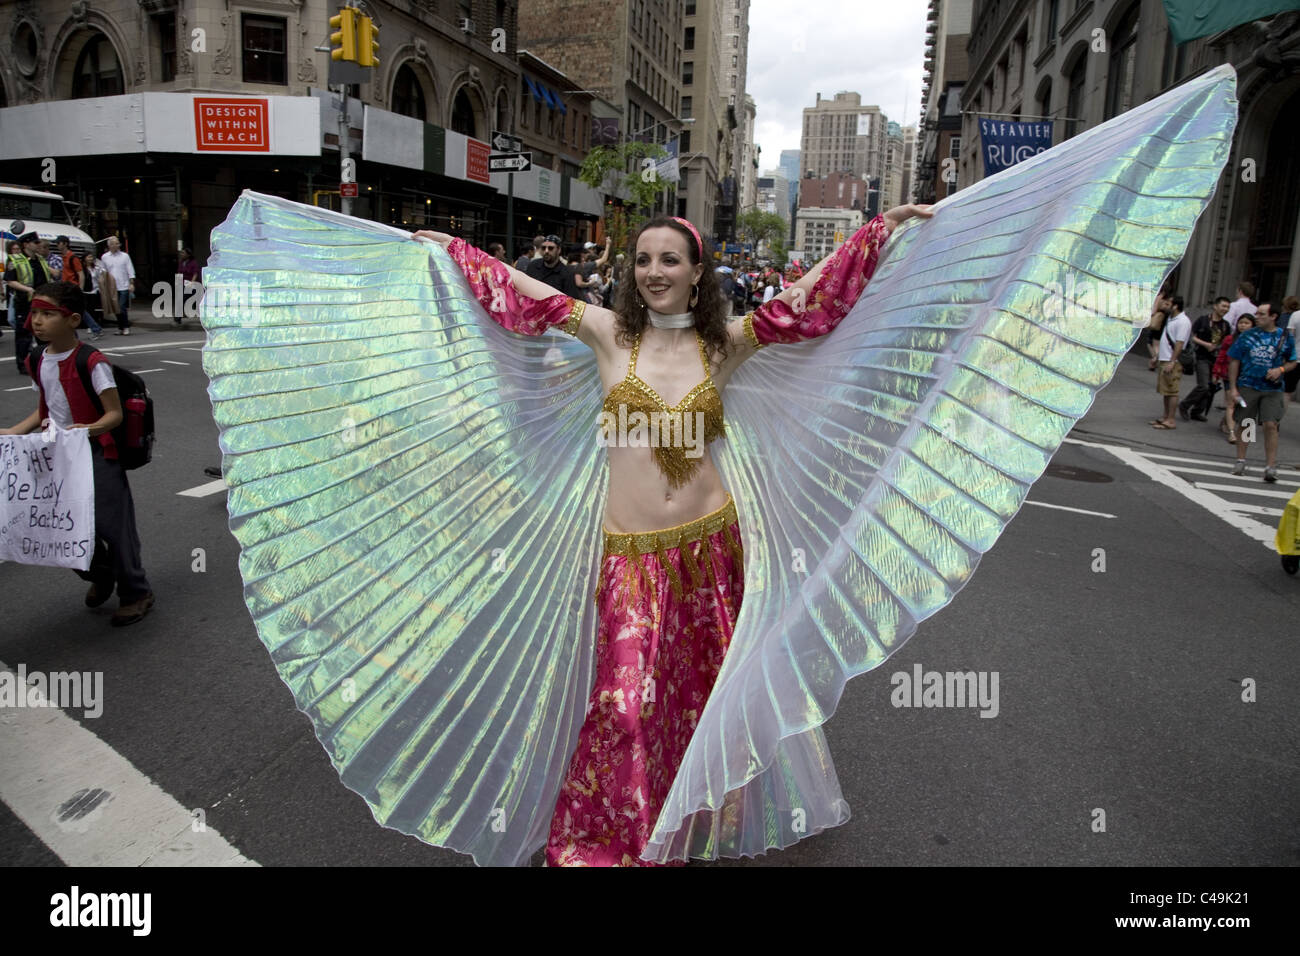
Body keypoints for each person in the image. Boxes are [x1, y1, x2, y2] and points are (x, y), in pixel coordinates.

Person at [412, 200, 936, 865]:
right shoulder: (606, 333)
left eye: (670, 260)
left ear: (696, 273)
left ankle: (689, 825)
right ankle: (610, 842)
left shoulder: (726, 343)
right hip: (628, 558)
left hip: (711, 552)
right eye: (643, 260)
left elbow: (810, 299)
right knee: (625, 708)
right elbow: (525, 293)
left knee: (702, 707)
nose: (654, 272)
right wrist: (454, 253)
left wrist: (880, 231)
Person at [0, 281, 155, 626]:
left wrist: (89, 429)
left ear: (71, 319)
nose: (37, 321)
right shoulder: (37, 358)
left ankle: (136, 592)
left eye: (47, 314)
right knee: (61, 529)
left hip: (96, 455)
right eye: (35, 314)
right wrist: (15, 431)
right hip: (56, 456)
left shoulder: (91, 360)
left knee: (113, 528)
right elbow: (44, 410)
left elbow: (113, 414)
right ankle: (100, 574)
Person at [1228, 300, 1299, 482]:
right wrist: (1233, 387)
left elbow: (1293, 361)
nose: (1257, 317)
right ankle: (1241, 459)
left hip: (1273, 388)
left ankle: (1270, 466)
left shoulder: (1284, 337)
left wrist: (1280, 370)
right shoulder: (1248, 336)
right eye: (1257, 314)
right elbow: (1234, 361)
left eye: (1261, 314)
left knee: (1270, 425)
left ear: (1273, 317)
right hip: (1249, 385)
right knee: (1247, 423)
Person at [3, 232, 54, 373]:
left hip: (41, 302)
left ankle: (44, 360)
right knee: (23, 335)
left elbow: (47, 279)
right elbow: (10, 280)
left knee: (43, 333)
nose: (38, 245)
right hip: (25, 302)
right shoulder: (15, 260)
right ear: (26, 244)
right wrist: (27, 289)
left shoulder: (41, 260)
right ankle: (23, 364)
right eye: (35, 243)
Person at [1178, 295, 1230, 420]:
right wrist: (1206, 344)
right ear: (1215, 306)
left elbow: (1226, 342)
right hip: (1202, 357)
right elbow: (1193, 337)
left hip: (1216, 358)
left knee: (1210, 386)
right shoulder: (1203, 320)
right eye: (1223, 306)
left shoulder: (1226, 325)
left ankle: (1197, 411)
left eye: (1228, 307)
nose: (1225, 309)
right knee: (1203, 385)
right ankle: (1185, 405)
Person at [1151, 294, 1189, 429]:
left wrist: (1172, 361)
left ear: (1176, 306)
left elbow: (1179, 343)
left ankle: (1171, 419)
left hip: (1173, 360)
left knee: (1172, 390)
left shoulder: (1183, 321)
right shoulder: (1171, 318)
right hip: (1165, 358)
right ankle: (1165, 416)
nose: (1165, 306)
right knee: (1165, 390)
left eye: (1168, 304)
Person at [1214, 314, 1253, 442]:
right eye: (1241, 322)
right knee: (1231, 402)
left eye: (1246, 323)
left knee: (1239, 404)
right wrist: (1216, 372)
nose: (1243, 325)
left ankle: (1225, 421)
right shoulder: (1230, 339)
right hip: (1229, 374)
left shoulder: (1255, 341)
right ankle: (1232, 432)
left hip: (1246, 376)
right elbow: (1221, 357)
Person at [56, 236, 104, 338]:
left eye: (59, 243)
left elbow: (81, 274)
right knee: (77, 310)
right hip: (66, 288)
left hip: (72, 288)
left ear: (65, 243)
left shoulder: (72, 258)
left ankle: (91, 330)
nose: (57, 245)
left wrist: (80, 290)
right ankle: (93, 329)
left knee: (75, 310)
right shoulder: (64, 257)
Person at [100, 235, 136, 335]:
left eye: (117, 243)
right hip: (111, 287)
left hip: (124, 285)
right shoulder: (105, 257)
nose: (116, 245)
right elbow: (103, 271)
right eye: (114, 244)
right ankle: (120, 327)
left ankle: (125, 326)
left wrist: (131, 283)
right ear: (109, 245)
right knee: (115, 308)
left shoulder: (125, 256)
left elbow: (130, 269)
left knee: (121, 306)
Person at [1281, 294, 1300, 404]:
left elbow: (1290, 337)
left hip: (1295, 358)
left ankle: (1276, 420)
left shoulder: (1296, 316)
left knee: (1286, 392)